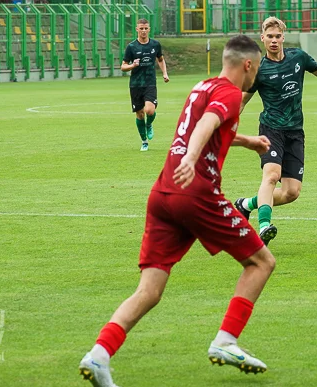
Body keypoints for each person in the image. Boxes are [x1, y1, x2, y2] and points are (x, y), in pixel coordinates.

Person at [79, 35, 275, 387]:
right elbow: (206, 126)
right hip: (196, 193)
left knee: (150, 290)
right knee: (262, 262)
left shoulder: (202, 86)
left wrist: (248, 142)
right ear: (247, 64)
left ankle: (99, 355)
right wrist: (190, 158)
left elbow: (208, 125)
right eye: (256, 68)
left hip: (163, 193)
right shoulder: (231, 92)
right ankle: (226, 340)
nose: (255, 75)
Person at [234, 16, 317, 246]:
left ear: (283, 37)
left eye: (277, 36)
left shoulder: (298, 57)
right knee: (271, 176)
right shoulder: (258, 69)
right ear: (262, 39)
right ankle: (264, 226)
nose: (274, 41)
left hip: (295, 131)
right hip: (271, 130)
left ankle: (246, 205)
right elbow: (242, 100)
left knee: (291, 192)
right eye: (269, 37)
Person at [121, 19, 169, 152]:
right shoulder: (131, 47)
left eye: (145, 28)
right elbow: (123, 66)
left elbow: (160, 60)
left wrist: (165, 73)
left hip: (150, 82)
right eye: (141, 28)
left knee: (150, 110)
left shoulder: (155, 44)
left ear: (149, 29)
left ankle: (149, 125)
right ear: (137, 29)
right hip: (135, 84)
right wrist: (132, 65)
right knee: (140, 114)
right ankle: (144, 142)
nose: (143, 31)